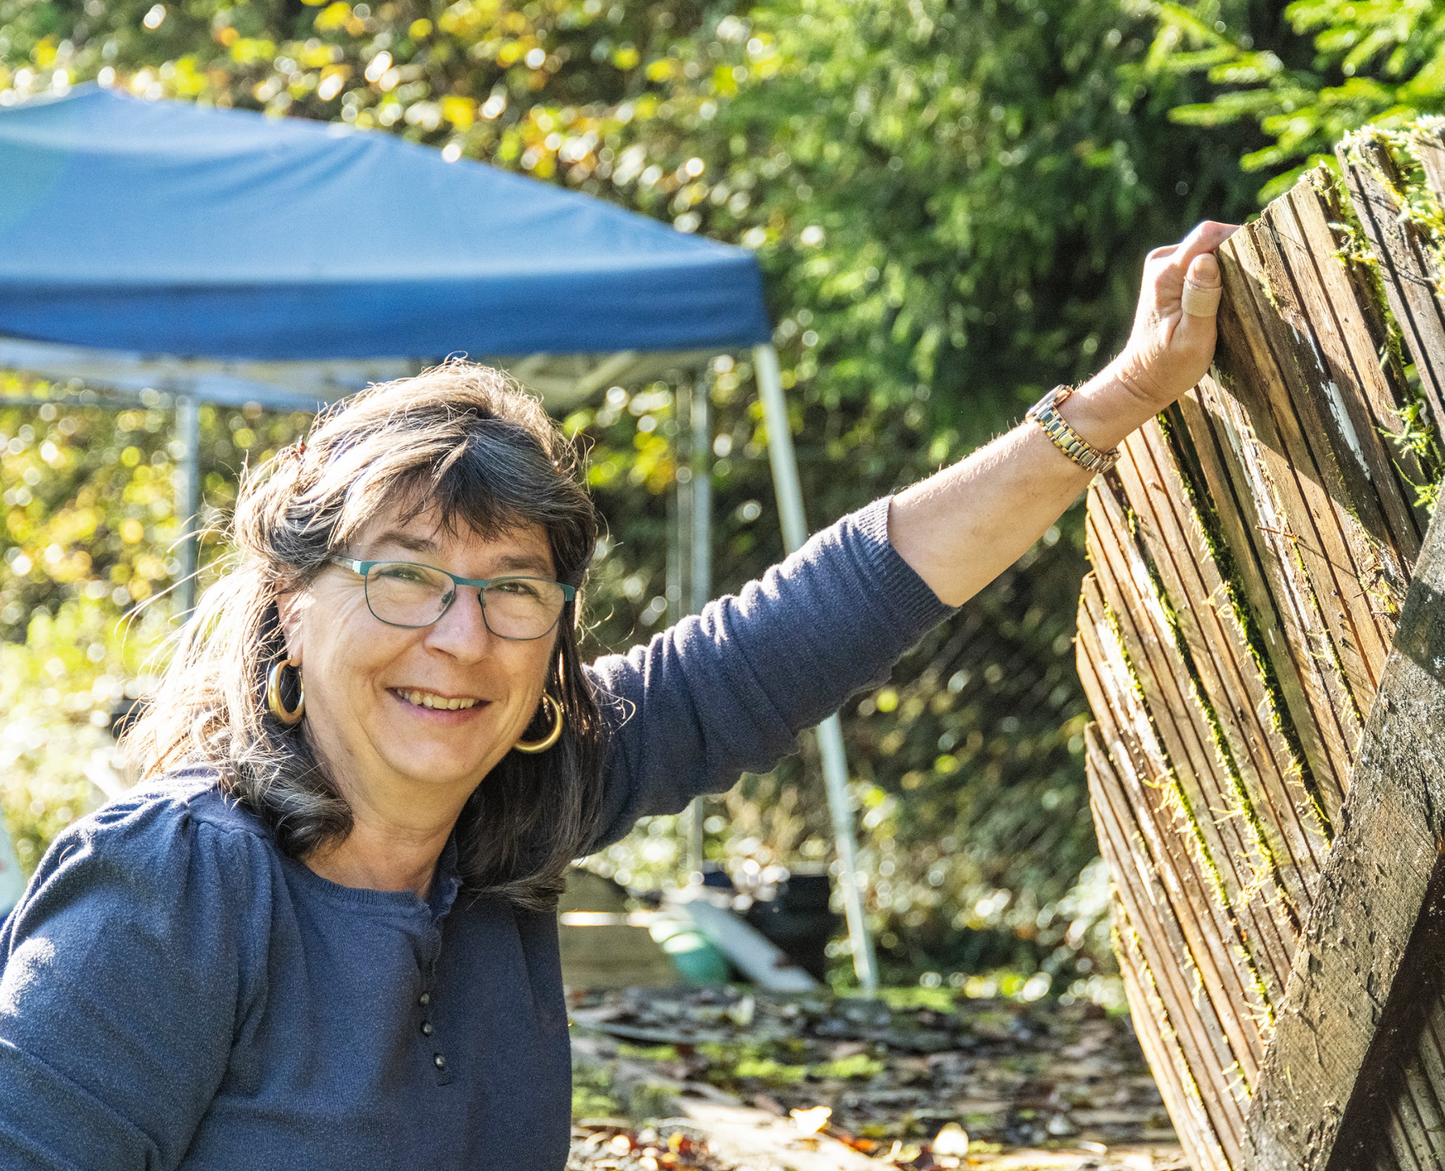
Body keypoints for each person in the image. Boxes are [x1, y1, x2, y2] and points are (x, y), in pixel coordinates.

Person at [0, 222, 1234, 1169]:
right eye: (405, 577)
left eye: (511, 590)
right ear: (291, 604)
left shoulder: (520, 806)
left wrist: (1116, 401)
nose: (459, 637)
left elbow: (814, 621)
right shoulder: (176, 884)